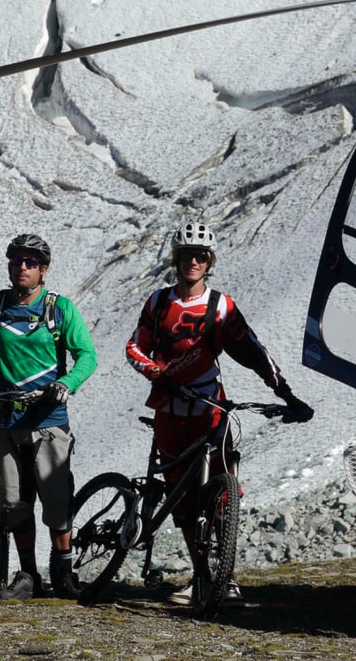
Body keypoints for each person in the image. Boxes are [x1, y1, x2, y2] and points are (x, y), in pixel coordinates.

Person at [126, 221, 313, 607]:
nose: (193, 262)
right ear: (176, 260)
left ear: (209, 262)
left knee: (222, 495)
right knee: (182, 502)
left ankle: (226, 580)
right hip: (168, 413)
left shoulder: (221, 306)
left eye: (200, 256)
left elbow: (255, 352)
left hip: (210, 411)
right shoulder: (158, 303)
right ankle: (202, 576)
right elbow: (134, 348)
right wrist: (156, 373)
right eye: (186, 256)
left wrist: (287, 394)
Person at [0, 234, 97, 600]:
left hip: (49, 421)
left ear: (44, 270)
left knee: (57, 503)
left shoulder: (60, 308)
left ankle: (64, 573)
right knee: (13, 505)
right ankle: (29, 576)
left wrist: (66, 383)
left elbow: (86, 355)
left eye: (31, 263)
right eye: (17, 261)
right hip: (6, 420)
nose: (22, 267)